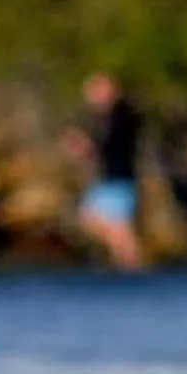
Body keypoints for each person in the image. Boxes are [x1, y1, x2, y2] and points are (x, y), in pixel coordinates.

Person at [65, 72, 147, 270]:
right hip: (107, 179)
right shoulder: (104, 118)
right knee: (94, 221)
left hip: (119, 179)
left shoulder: (122, 117)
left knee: (120, 230)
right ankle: (127, 265)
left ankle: (134, 268)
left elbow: (108, 146)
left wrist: (84, 146)